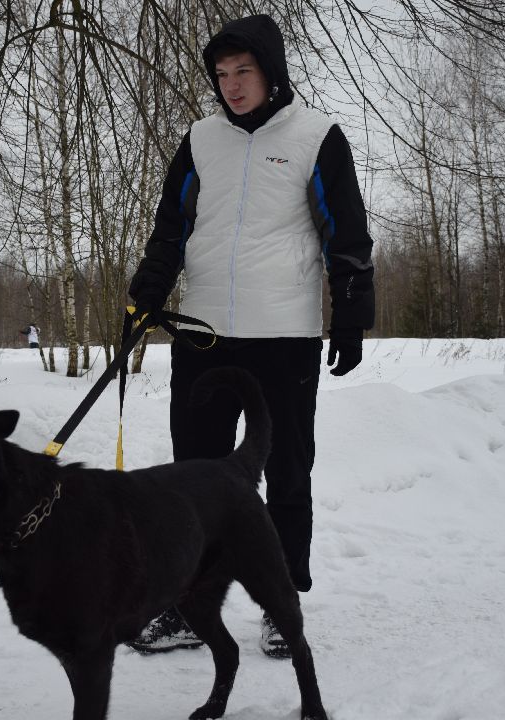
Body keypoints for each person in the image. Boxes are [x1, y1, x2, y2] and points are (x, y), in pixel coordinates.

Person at [125, 14, 375, 657]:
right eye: (221, 75)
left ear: (271, 72)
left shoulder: (318, 136)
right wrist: (147, 290)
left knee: (287, 469)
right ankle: (187, 605)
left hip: (285, 335)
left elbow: (345, 232)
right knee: (195, 479)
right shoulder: (200, 139)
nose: (231, 85)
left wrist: (350, 312)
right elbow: (170, 228)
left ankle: (281, 599)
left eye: (244, 72)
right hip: (204, 333)